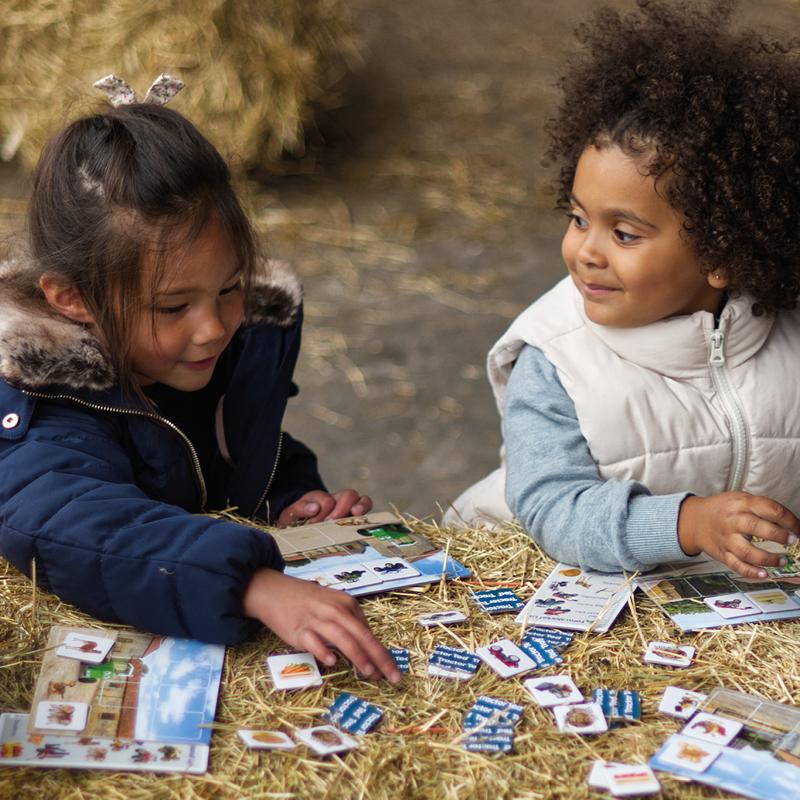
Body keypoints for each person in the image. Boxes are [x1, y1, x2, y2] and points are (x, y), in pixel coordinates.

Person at [0, 74, 400, 682]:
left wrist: (289, 503)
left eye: (230, 288)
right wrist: (250, 582)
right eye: (172, 307)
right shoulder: (41, 404)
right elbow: (77, 527)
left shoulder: (200, 357)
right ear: (74, 298)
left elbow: (234, 452)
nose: (214, 327)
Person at [445, 0, 800, 579]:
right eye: (580, 219)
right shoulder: (555, 357)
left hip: (712, 609)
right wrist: (687, 524)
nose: (586, 250)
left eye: (625, 233)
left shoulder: (788, 335)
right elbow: (553, 510)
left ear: (722, 252)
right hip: (535, 580)